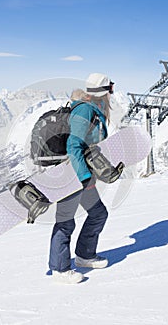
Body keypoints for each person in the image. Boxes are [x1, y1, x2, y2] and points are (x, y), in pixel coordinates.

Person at [48, 72, 114, 284]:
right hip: (71, 174)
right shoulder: (85, 110)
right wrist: (84, 177)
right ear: (103, 92)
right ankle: (60, 269)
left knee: (98, 214)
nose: (111, 93)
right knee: (65, 221)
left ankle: (85, 256)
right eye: (110, 89)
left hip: (82, 173)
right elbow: (73, 145)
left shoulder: (94, 109)